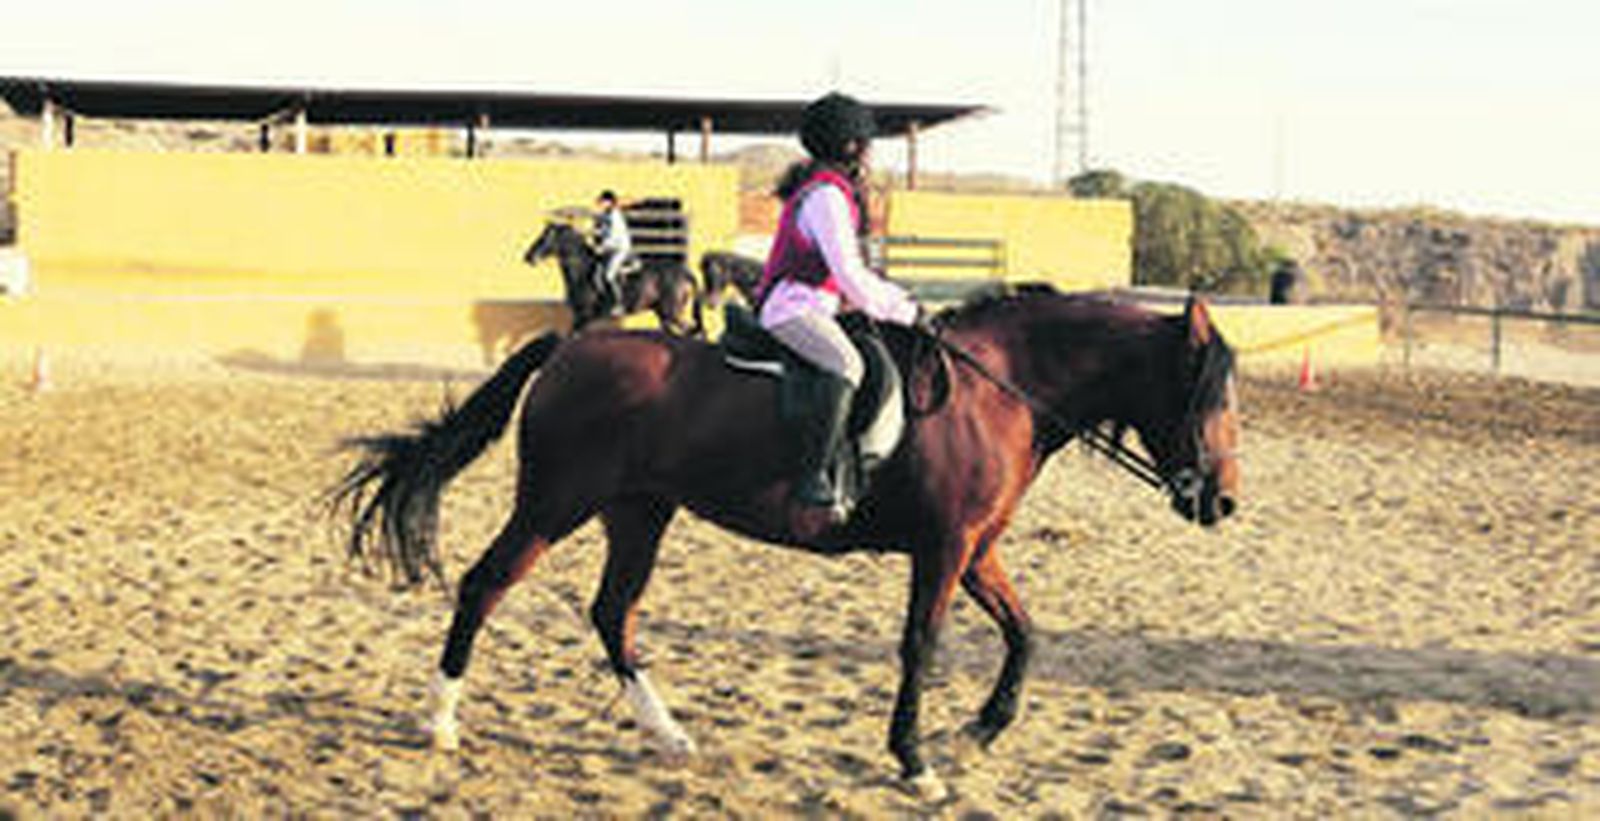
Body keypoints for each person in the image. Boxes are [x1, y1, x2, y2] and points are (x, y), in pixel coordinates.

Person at [754, 91, 920, 523]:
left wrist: (892, 303)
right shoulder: (826, 196)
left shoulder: (829, 189)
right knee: (846, 364)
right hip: (792, 308)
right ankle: (811, 478)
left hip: (817, 305)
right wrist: (905, 310)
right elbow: (849, 274)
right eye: (867, 142)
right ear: (851, 147)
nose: (869, 151)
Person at [593, 190, 632, 314]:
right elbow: (603, 231)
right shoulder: (606, 215)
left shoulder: (615, 217)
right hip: (611, 248)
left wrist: (602, 247)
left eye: (603, 202)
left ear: (610, 202)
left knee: (608, 275)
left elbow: (614, 236)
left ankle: (618, 303)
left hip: (620, 248)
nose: (601, 204)